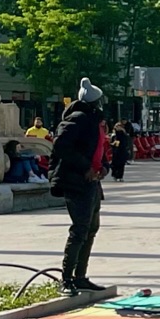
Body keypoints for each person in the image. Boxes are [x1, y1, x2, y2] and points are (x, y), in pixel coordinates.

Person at [48, 79, 109, 294]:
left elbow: (99, 149)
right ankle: (66, 279)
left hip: (92, 182)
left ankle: (80, 276)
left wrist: (103, 168)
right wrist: (85, 167)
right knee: (80, 229)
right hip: (76, 182)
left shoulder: (95, 121)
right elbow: (60, 145)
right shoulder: (78, 118)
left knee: (91, 228)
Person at [109, 119, 134, 183]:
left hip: (120, 150)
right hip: (118, 150)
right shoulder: (115, 134)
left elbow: (119, 142)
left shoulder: (122, 134)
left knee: (120, 164)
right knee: (117, 164)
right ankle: (117, 175)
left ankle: (119, 176)